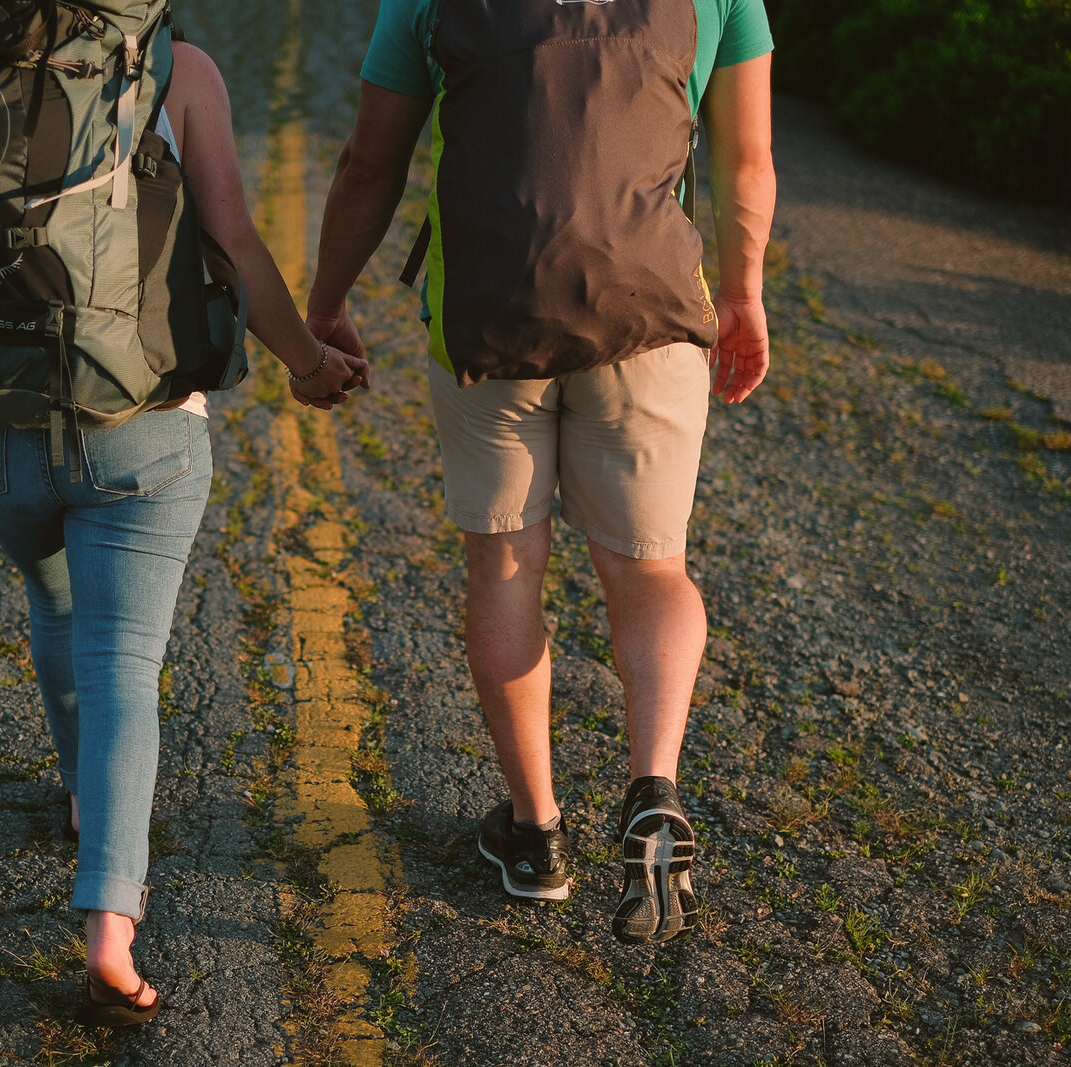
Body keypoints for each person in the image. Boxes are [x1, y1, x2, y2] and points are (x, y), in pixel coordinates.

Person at [0, 25, 368, 1024]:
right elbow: (235, 241)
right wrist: (305, 363)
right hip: (144, 432)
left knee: (55, 613)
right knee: (124, 655)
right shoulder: (175, 68)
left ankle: (86, 797)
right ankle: (109, 932)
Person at [305, 0, 775, 943]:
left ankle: (536, 835)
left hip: (491, 317)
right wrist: (742, 292)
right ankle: (653, 786)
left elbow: (370, 162)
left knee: (508, 565)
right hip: (648, 312)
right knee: (652, 571)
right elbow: (747, 161)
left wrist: (323, 305)